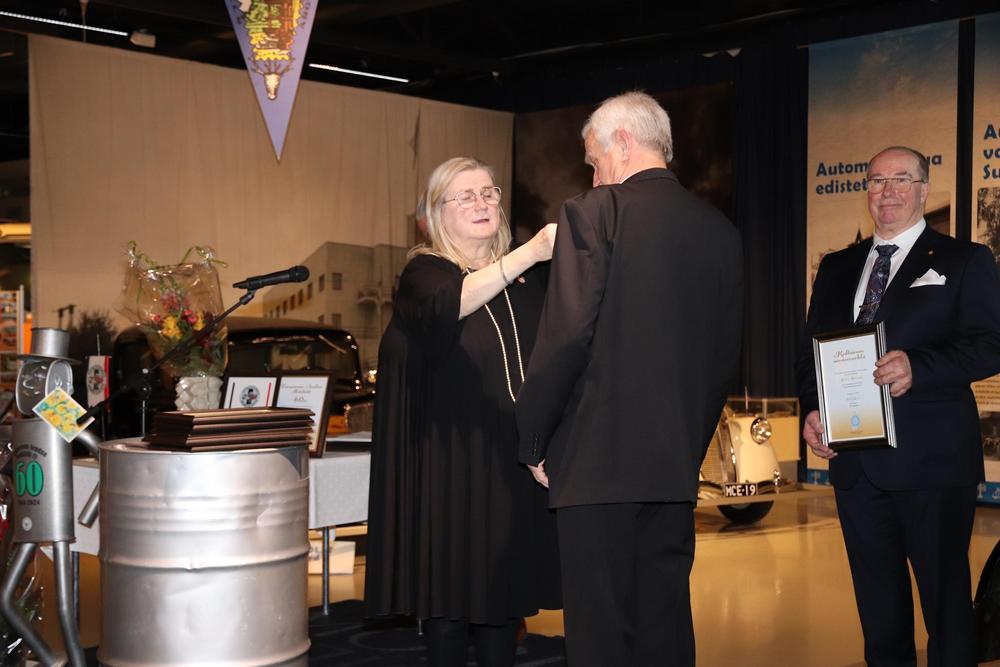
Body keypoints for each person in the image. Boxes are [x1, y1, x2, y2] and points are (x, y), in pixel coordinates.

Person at [515, 91, 743, 666]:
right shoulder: (720, 231)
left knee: (601, 635)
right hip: (673, 468)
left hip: (595, 466)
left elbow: (565, 338)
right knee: (664, 626)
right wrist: (687, 447)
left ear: (622, 143)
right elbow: (723, 361)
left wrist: (535, 438)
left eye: (593, 161)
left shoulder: (594, 212)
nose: (593, 176)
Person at [796, 145, 1000, 666]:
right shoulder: (837, 266)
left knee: (946, 614)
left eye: (901, 179)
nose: (886, 191)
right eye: (876, 180)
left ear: (924, 189)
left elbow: (990, 345)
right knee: (880, 617)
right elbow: (811, 352)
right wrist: (814, 411)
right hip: (856, 468)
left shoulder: (962, 260)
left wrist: (919, 367)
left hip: (933, 465)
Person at [364, 157, 561, 667]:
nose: (482, 203)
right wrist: (530, 252)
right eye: (466, 195)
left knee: (502, 603)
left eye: (489, 193)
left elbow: (547, 366)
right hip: (449, 469)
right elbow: (452, 304)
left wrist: (545, 439)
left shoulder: (528, 283)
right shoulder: (425, 273)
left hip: (509, 463)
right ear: (437, 213)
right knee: (449, 607)